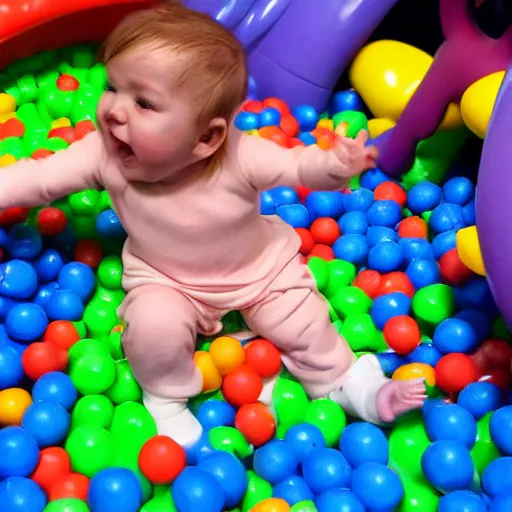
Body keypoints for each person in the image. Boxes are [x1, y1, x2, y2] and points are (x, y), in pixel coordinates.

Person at [0, 2, 426, 448]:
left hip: (261, 270)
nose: (115, 111)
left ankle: (350, 385)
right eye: (112, 87)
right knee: (152, 329)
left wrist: (335, 165)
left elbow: (297, 166)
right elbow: (39, 178)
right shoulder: (103, 153)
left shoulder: (239, 156)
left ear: (207, 139)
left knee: (306, 324)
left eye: (143, 102)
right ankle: (165, 398)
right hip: (164, 277)